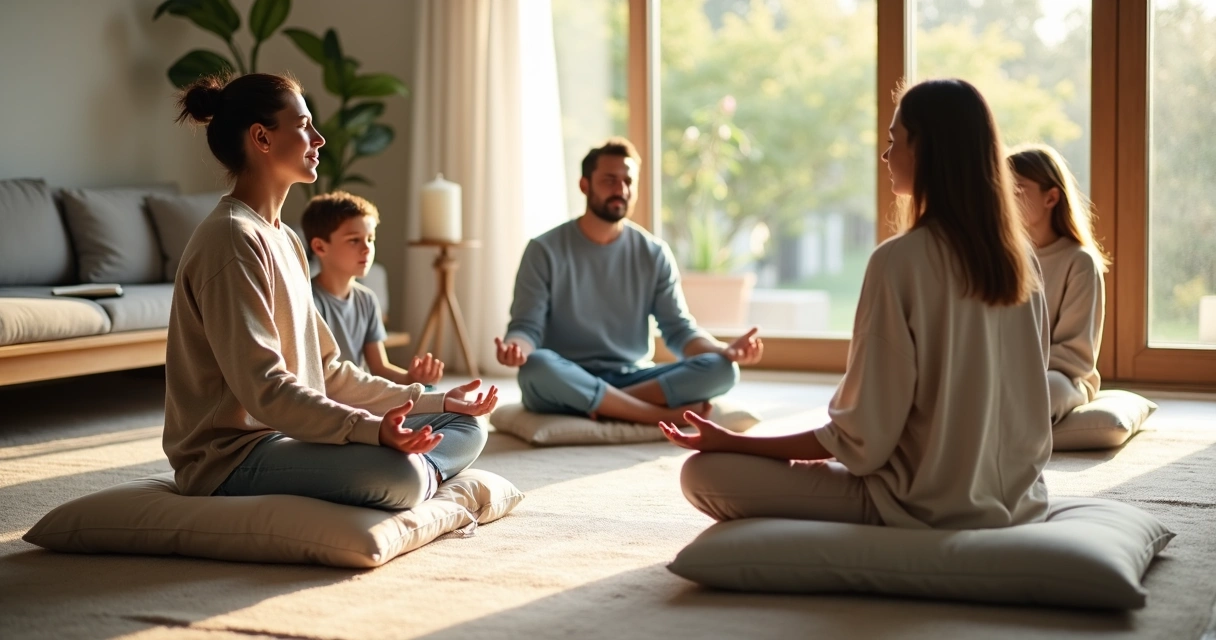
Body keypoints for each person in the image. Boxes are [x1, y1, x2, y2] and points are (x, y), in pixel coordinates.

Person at [661, 79, 1053, 530]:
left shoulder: (898, 262)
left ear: (926, 149)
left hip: (919, 503)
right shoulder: (1023, 262)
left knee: (702, 474)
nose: (886, 157)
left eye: (894, 141)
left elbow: (861, 438)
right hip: (1021, 499)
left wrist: (736, 444)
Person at [164, 72, 497, 510]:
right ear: (262, 137)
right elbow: (264, 390)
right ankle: (419, 472)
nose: (318, 138)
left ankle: (422, 470)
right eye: (303, 125)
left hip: (291, 434)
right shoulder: (231, 239)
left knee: (467, 423)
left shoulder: (285, 239)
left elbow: (329, 372)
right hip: (233, 458)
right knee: (397, 473)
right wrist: (369, 431)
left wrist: (433, 399)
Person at [493, 137, 763, 426]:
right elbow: (526, 328)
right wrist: (516, 349)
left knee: (722, 370)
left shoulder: (654, 252)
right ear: (584, 185)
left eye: (628, 181)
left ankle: (604, 406)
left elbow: (679, 331)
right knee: (536, 367)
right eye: (609, 180)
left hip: (629, 376)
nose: (620, 189)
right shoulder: (543, 249)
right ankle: (651, 414)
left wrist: (725, 351)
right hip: (567, 374)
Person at [302, 190, 445, 388]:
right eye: (354, 240)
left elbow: (379, 368)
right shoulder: (307, 300)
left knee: (436, 397)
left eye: (370, 239)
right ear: (319, 247)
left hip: (364, 394)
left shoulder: (367, 299)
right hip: (332, 400)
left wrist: (412, 379)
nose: (367, 248)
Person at [1009, 143, 1108, 424]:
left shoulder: (1079, 262)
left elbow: (1076, 358)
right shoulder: (1001, 259)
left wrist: (1015, 367)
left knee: (1044, 389)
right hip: (1006, 371)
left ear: (1051, 198)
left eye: (1017, 190)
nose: (1005, 199)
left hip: (1063, 378)